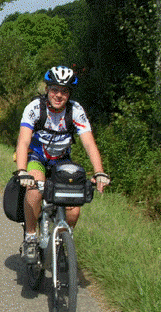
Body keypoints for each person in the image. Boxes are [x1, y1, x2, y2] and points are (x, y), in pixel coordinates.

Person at [15, 65, 110, 264]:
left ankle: (62, 240)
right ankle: (31, 238)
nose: (59, 95)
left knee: (74, 207)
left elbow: (89, 143)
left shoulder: (75, 111)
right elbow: (23, 141)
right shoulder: (35, 108)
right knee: (34, 189)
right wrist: (22, 171)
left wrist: (99, 171)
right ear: (47, 89)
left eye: (64, 91)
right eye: (54, 89)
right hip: (38, 158)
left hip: (62, 162)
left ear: (69, 93)